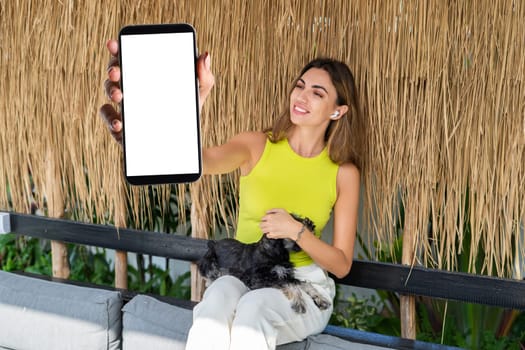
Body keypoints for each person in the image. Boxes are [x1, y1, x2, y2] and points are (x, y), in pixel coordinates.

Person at [100, 39, 363, 350]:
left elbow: (342, 264)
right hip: (245, 273)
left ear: (338, 111)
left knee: (253, 310)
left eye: (317, 93)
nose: (301, 96)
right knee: (216, 302)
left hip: (302, 288)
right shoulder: (256, 145)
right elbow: (198, 162)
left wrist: (295, 230)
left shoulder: (343, 172)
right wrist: (195, 99)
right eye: (300, 86)